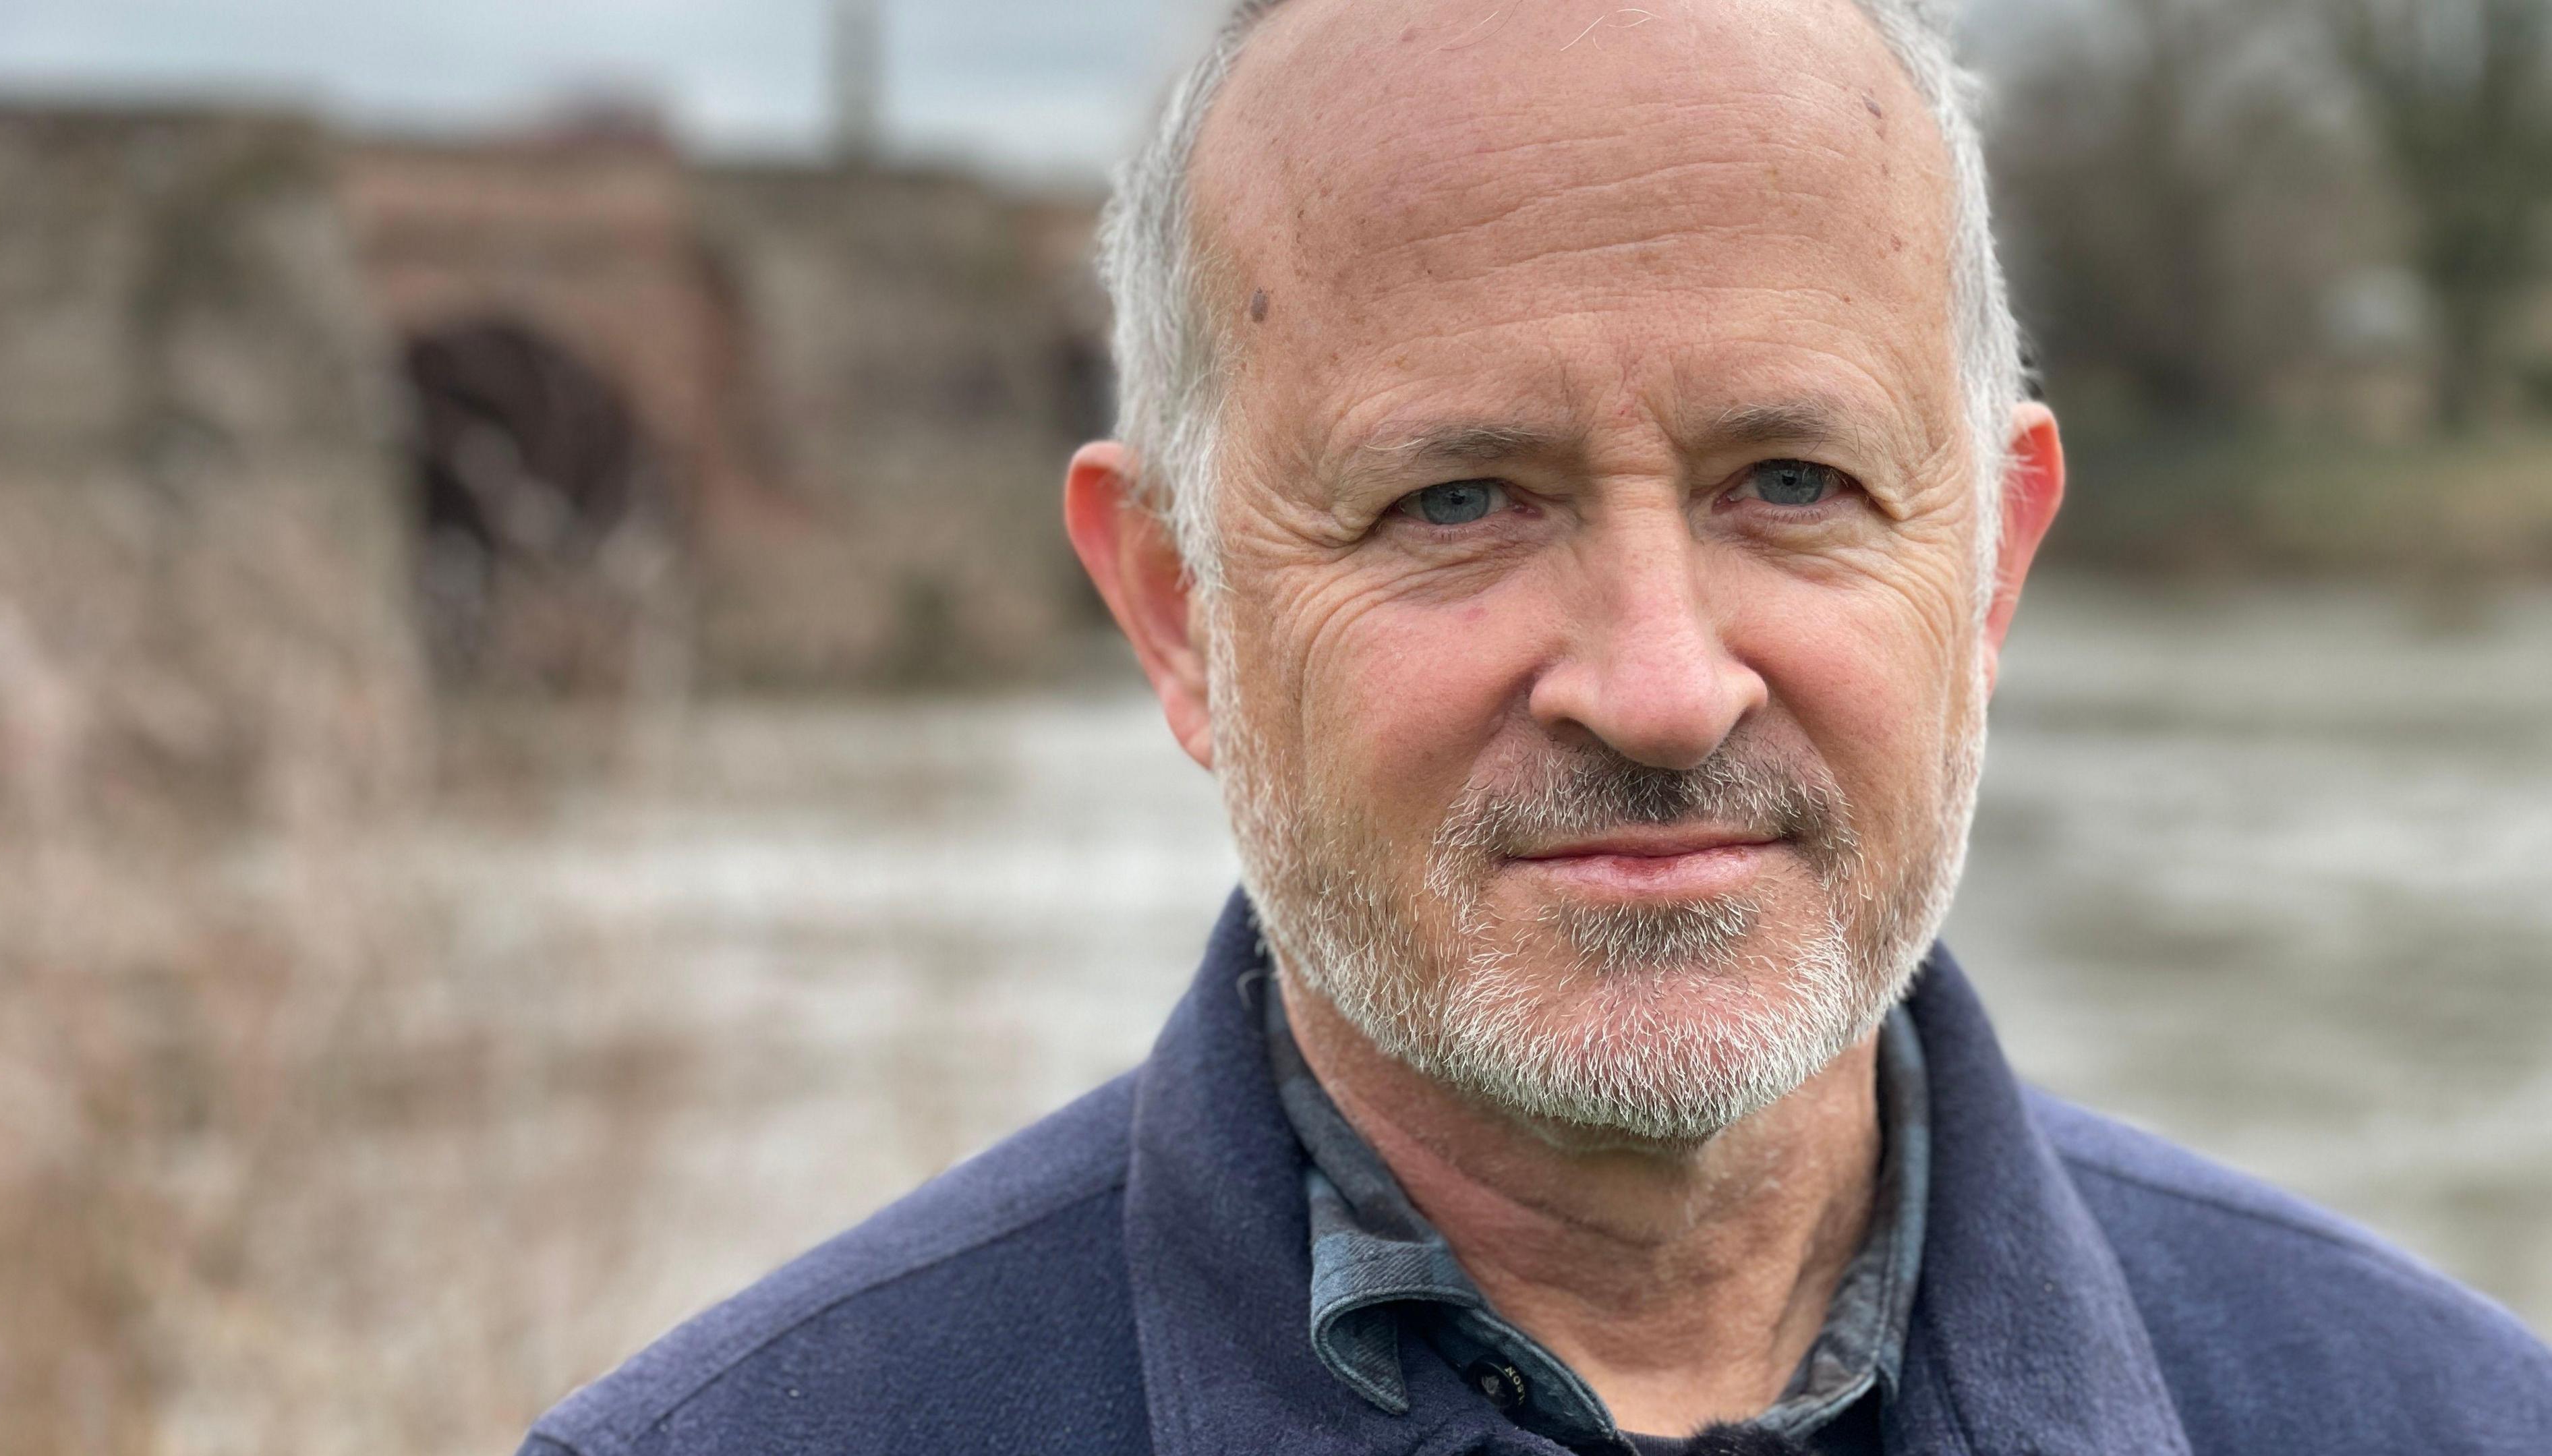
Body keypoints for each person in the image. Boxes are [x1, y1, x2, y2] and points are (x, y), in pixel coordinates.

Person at [516, 1, 2552, 1451]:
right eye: (1456, 503)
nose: (1661, 685)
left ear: (1994, 567)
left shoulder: (2450, 1418)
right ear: (1179, 610)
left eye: (1793, 484)